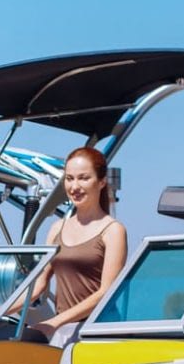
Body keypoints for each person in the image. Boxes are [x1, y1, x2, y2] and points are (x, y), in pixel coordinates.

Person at [14, 147, 128, 344]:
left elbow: (105, 293)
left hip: (98, 333)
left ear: (101, 182)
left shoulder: (113, 231)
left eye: (83, 178)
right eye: (69, 178)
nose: (74, 186)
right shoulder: (56, 228)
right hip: (64, 331)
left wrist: (53, 323)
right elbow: (38, 285)